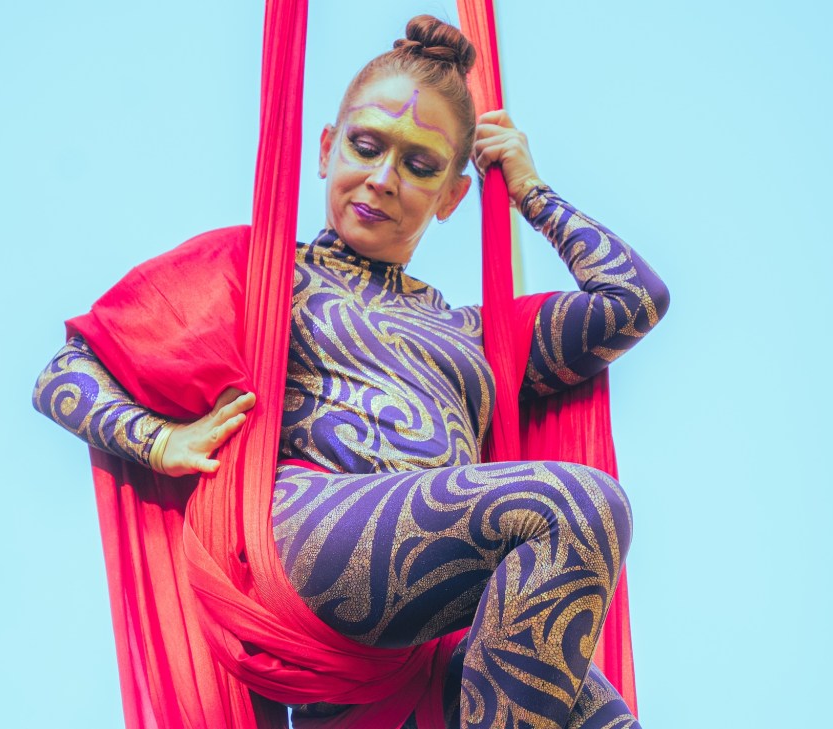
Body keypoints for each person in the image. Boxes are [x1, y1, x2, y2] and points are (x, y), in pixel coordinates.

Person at [34, 15, 668, 729]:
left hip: (423, 633)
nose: (384, 179)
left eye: (420, 166)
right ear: (326, 149)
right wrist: (160, 442)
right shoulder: (268, 274)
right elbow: (67, 372)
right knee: (579, 506)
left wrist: (530, 191)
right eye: (366, 147)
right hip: (307, 543)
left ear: (452, 197)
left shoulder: (477, 335)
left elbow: (633, 300)